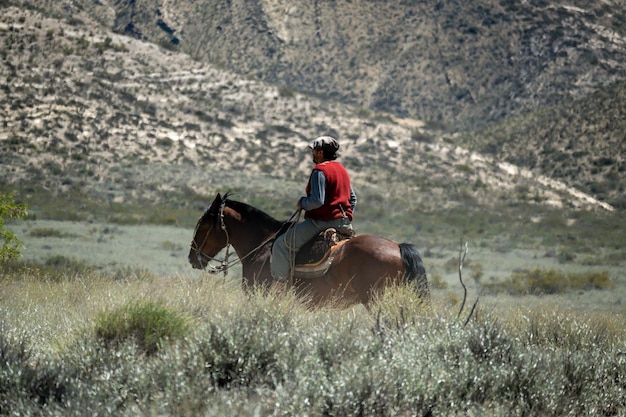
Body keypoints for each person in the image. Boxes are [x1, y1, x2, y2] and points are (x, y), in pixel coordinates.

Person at [271, 136, 357, 282]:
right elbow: (353, 199)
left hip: (321, 223)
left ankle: (279, 287)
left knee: (281, 245)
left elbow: (317, 200)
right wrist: (345, 216)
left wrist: (303, 203)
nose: (313, 153)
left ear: (321, 153)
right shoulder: (342, 170)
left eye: (314, 150)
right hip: (345, 223)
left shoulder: (319, 171)